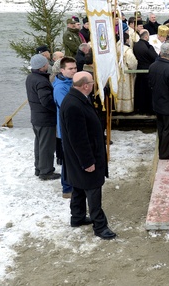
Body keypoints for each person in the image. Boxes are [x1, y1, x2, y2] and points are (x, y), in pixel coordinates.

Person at [59, 71, 116, 240]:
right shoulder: (73, 105)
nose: (93, 85)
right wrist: (87, 162)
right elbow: (78, 138)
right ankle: (100, 225)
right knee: (92, 190)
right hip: (84, 157)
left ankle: (77, 217)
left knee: (78, 186)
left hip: (78, 158)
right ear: (85, 85)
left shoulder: (76, 99)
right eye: (92, 82)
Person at [26, 54, 60, 181]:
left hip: (36, 117)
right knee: (47, 146)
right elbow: (46, 101)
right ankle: (46, 171)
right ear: (42, 67)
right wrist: (56, 109)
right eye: (46, 63)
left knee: (39, 144)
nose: (48, 65)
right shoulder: (41, 81)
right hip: (45, 118)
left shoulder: (30, 78)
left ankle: (39, 168)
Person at [53, 57, 77, 198]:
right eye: (70, 69)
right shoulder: (60, 87)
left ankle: (73, 184)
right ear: (62, 70)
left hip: (73, 127)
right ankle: (67, 189)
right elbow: (67, 108)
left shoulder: (71, 82)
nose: (74, 71)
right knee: (68, 161)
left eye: (75, 68)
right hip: (66, 129)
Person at [133, 29, 158, 114]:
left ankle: (140, 109)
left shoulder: (136, 45)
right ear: (146, 36)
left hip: (139, 71)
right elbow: (155, 57)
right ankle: (149, 110)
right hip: (148, 71)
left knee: (140, 91)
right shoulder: (148, 46)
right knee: (147, 92)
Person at [115, 32, 138, 113]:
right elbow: (133, 63)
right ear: (127, 40)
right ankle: (126, 108)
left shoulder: (115, 47)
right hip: (126, 74)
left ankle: (117, 107)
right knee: (125, 91)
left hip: (116, 73)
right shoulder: (127, 50)